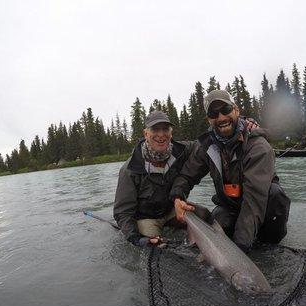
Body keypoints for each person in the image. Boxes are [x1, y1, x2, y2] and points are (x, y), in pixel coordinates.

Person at [170, 90, 290, 252]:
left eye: (226, 110)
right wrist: (178, 197)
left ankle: (260, 241)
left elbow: (253, 204)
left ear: (236, 110)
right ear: (209, 119)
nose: (221, 117)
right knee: (219, 220)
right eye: (214, 113)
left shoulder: (259, 147)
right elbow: (186, 175)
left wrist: (239, 250)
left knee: (275, 194)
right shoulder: (206, 146)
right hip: (230, 207)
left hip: (262, 206)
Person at [113, 110, 193, 247]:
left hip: (172, 210)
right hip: (147, 218)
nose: (161, 135)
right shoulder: (129, 169)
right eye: (155, 129)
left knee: (203, 215)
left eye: (165, 129)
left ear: (171, 133)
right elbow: (123, 212)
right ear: (146, 134)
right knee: (154, 246)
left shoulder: (181, 151)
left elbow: (203, 145)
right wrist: (135, 237)